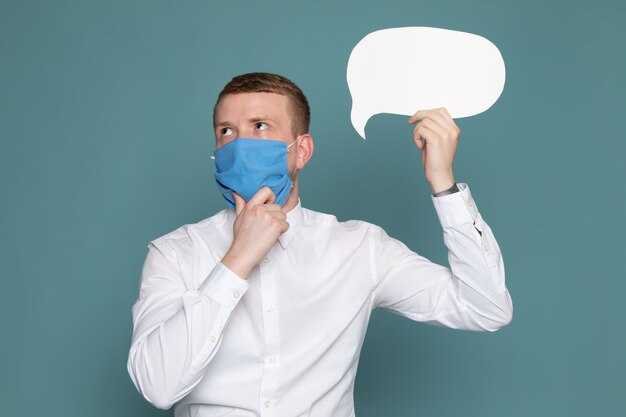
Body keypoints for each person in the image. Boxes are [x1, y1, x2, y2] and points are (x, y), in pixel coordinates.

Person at [127, 72, 513, 416]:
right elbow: (157, 387)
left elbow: (485, 308)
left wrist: (443, 182)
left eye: (260, 126)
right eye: (226, 131)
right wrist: (237, 259)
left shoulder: (361, 249)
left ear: (302, 150)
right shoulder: (175, 252)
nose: (240, 144)